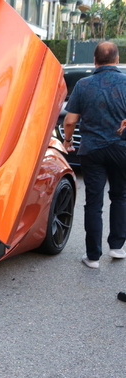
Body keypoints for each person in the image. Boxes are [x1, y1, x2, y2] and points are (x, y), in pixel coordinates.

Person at [63, 41, 126, 269]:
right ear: (117, 60)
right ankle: (117, 247)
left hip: (92, 150)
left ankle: (93, 257)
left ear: (95, 60)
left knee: (94, 202)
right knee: (120, 196)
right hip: (122, 148)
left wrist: (68, 141)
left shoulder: (83, 84)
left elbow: (70, 120)